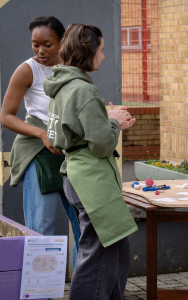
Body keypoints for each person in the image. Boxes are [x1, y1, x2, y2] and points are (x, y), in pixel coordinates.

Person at [43, 23, 138, 300]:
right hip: (91, 178)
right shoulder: (83, 91)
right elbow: (102, 145)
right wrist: (114, 123)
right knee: (98, 255)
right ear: (89, 51)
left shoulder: (61, 86)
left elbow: (69, 131)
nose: (104, 56)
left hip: (76, 173)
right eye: (102, 50)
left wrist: (106, 120)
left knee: (115, 248)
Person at [0, 16, 80, 271]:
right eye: (35, 45)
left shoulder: (72, 67)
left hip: (71, 154)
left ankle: (83, 288)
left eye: (48, 44)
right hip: (39, 154)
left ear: (62, 42)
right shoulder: (27, 69)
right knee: (40, 227)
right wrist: (42, 134)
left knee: (83, 224)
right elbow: (5, 116)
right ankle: (39, 293)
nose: (41, 51)